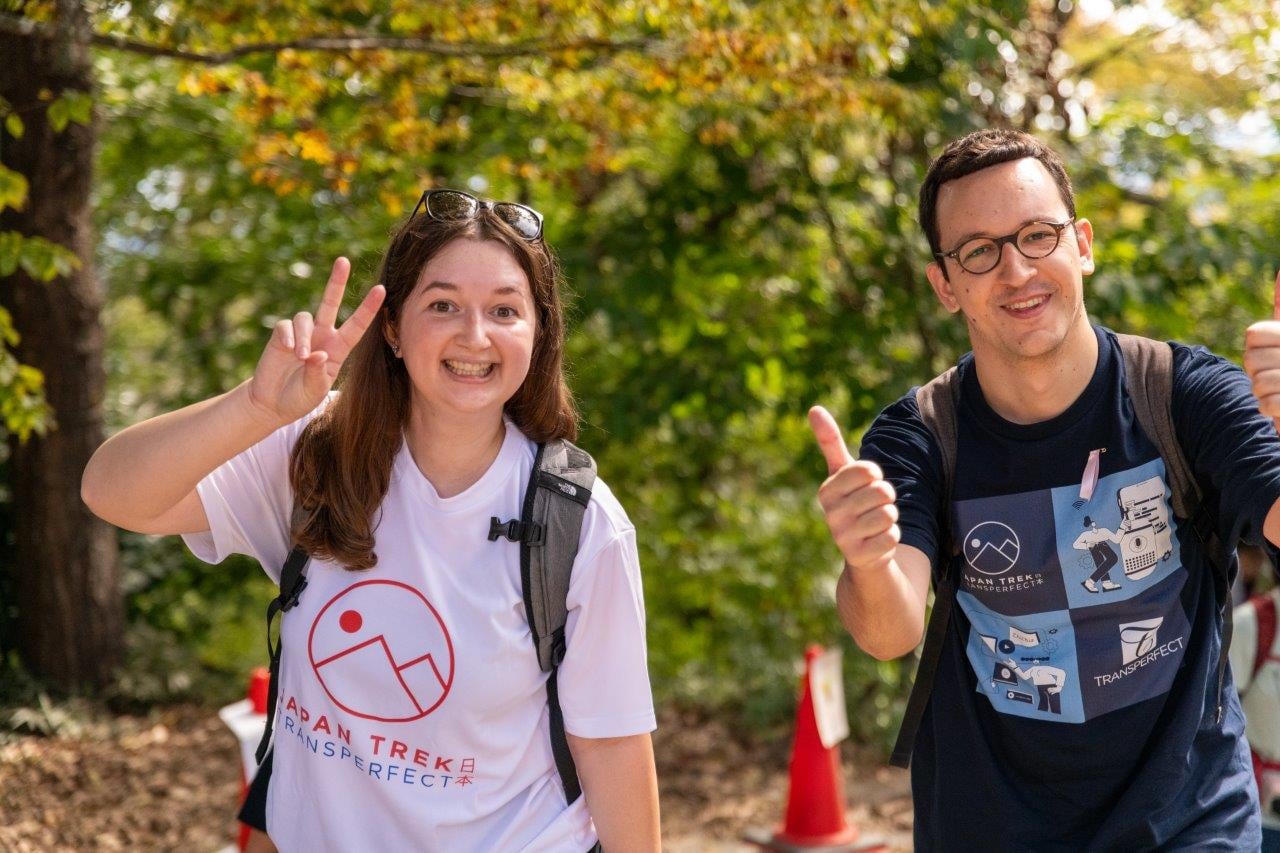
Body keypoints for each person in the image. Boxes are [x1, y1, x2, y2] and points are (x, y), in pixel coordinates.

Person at [81, 189, 660, 852]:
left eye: (504, 309)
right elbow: (112, 492)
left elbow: (610, 740)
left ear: (539, 332)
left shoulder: (578, 520)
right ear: (392, 328)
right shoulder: (313, 451)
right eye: (442, 304)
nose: (475, 336)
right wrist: (255, 408)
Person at [809, 128, 1278, 849]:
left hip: (1187, 822)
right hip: (991, 825)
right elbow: (888, 629)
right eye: (979, 251)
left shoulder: (1184, 394)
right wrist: (868, 561)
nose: (1017, 270)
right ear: (945, 283)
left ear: (1081, 243)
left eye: (1037, 235)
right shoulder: (920, 435)